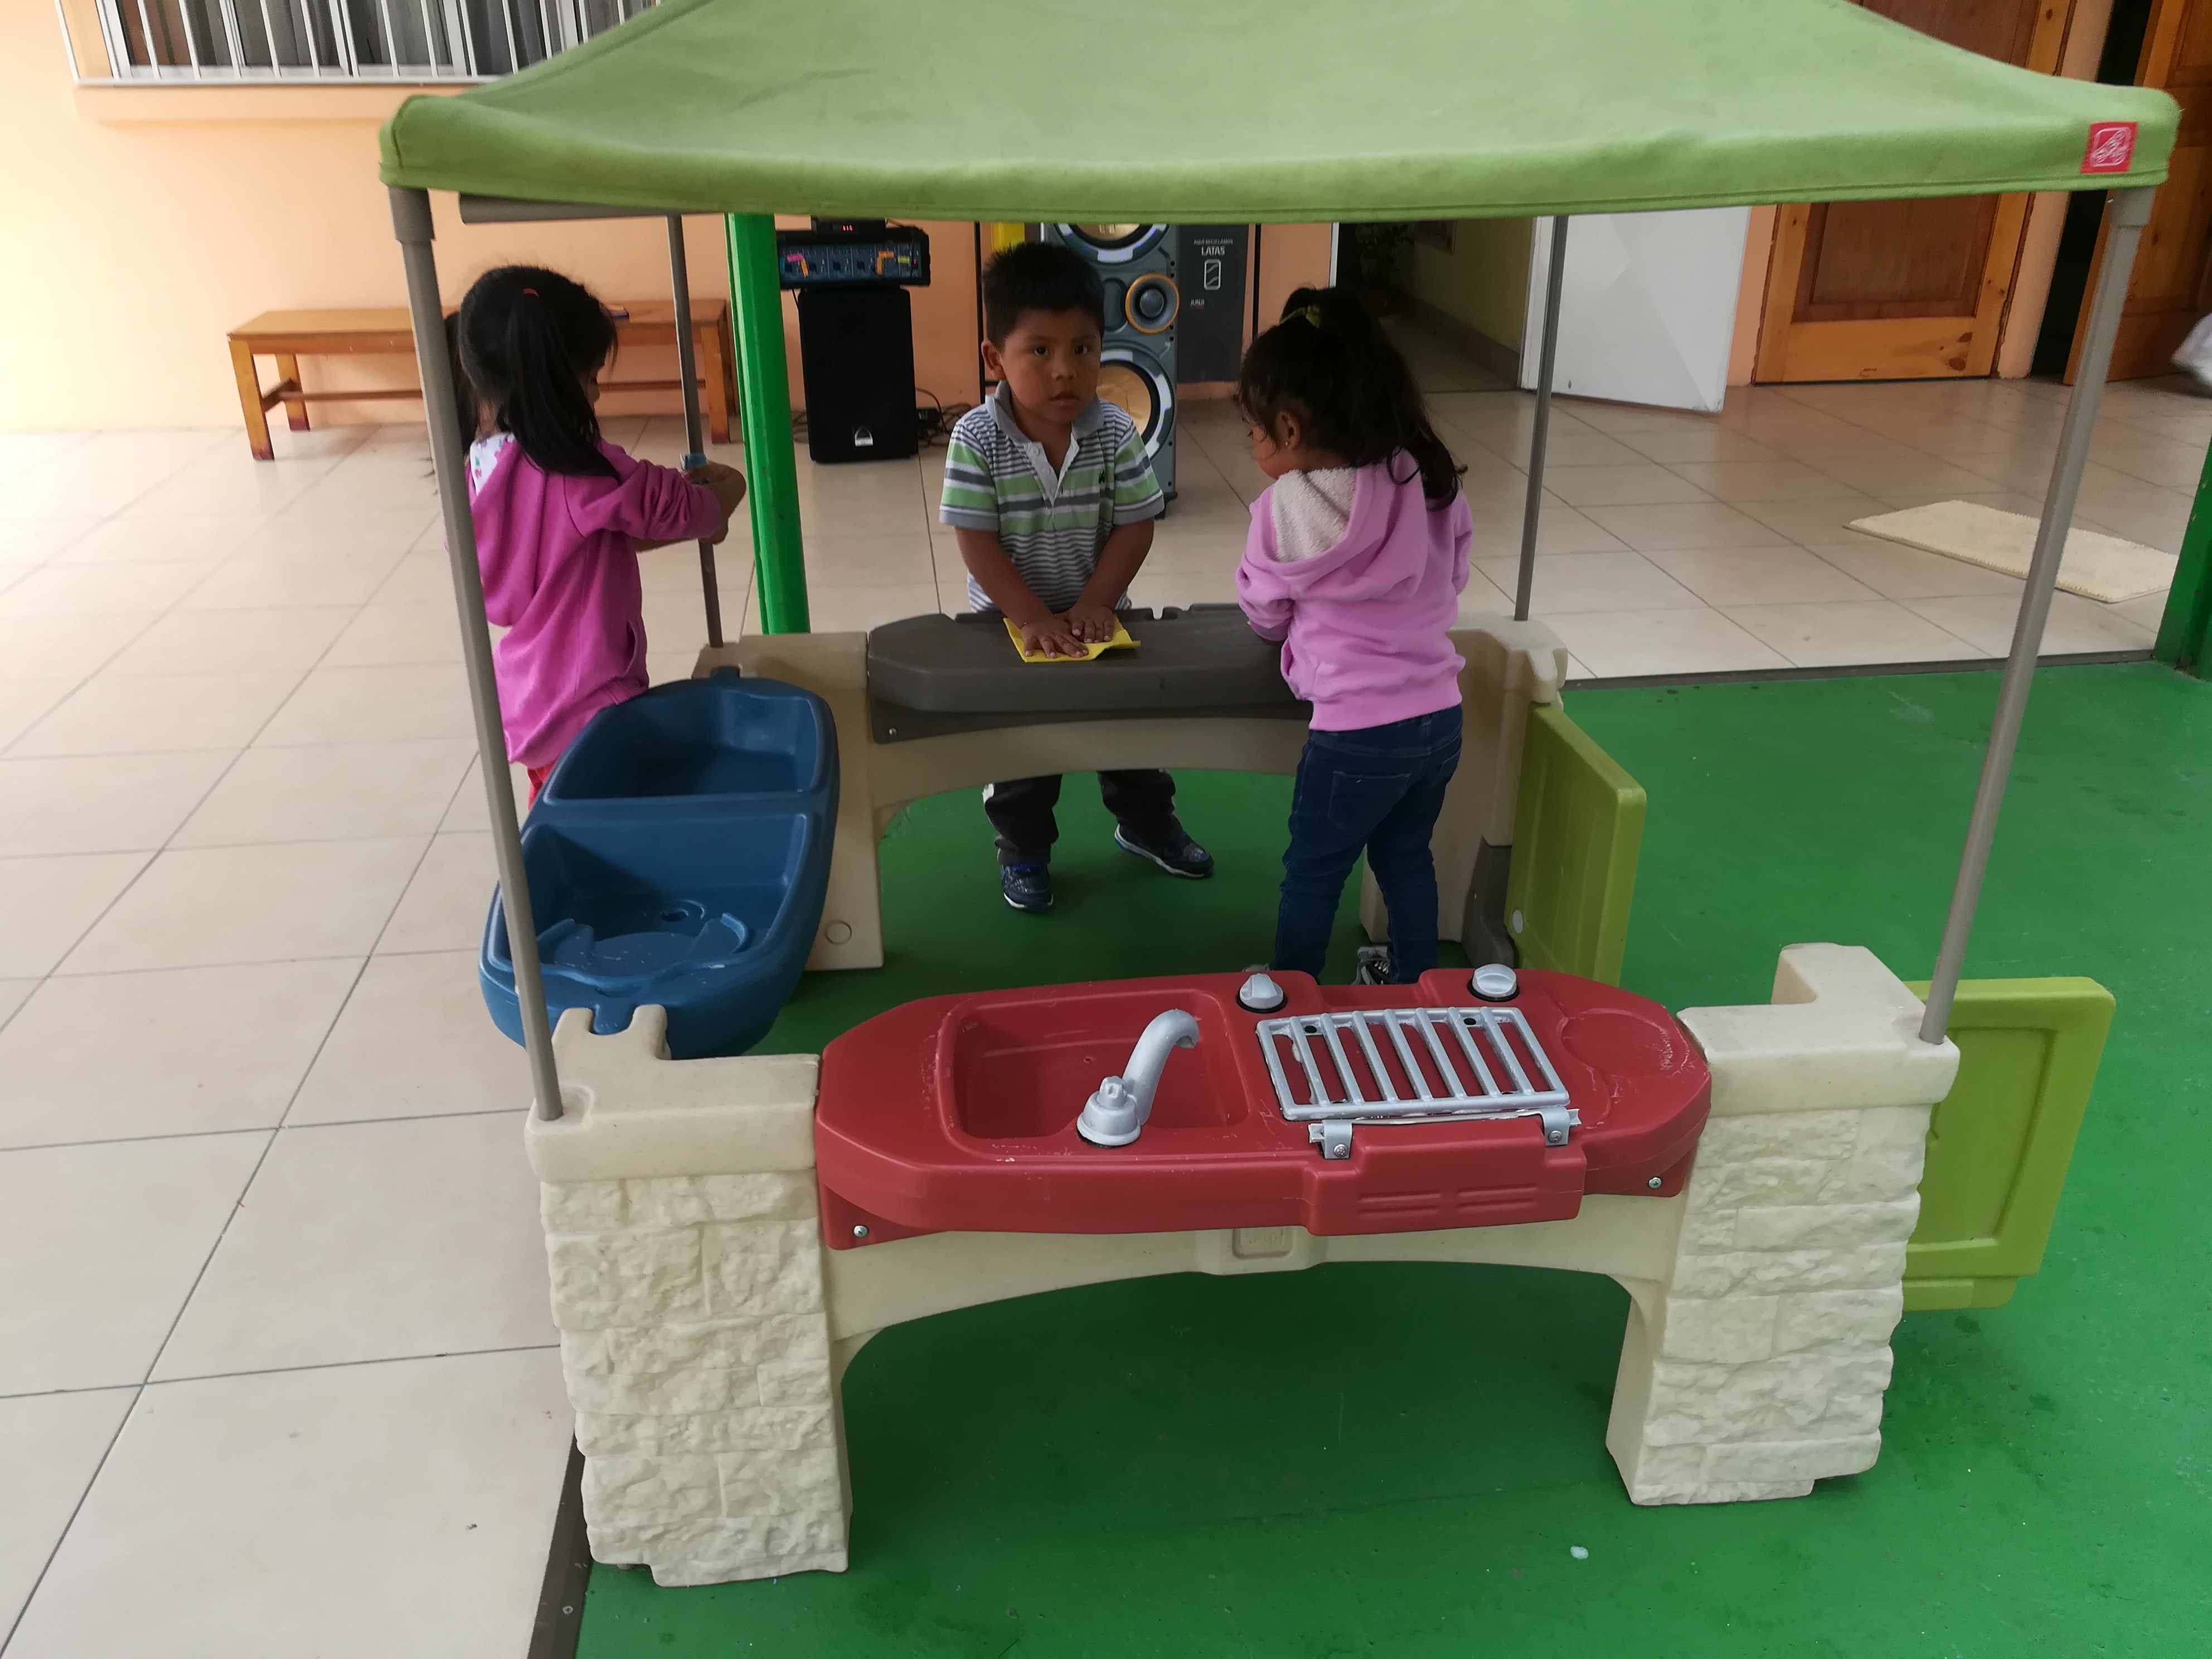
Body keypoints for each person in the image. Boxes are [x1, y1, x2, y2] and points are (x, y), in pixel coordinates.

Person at [938, 241, 1214, 913]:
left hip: (1100, 617)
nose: (1064, 370)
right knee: (1025, 754)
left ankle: (1146, 824)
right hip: (1006, 623)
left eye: (1082, 348)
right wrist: (1032, 617)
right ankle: (1023, 851)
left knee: (1129, 733)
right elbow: (977, 543)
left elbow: (1135, 524)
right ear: (994, 359)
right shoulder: (975, 438)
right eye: (1039, 350)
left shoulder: (1115, 429)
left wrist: (1096, 602)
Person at [1234, 287, 1472, 983]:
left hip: (1354, 735)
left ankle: (1294, 992)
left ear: (1287, 428)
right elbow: (1454, 576)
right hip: (1440, 718)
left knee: (1313, 871)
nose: (1253, 445)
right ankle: (1416, 986)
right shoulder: (1429, 480)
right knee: (1406, 859)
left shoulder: (1287, 508)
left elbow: (1262, 610)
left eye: (1252, 432)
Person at [454, 266, 747, 802]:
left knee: (562, 813)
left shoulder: (476, 472)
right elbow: (682, 510)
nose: (593, 395)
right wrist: (727, 492)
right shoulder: (579, 471)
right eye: (588, 377)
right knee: (612, 822)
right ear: (553, 382)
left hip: (534, 699)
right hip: (592, 703)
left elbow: (577, 540)